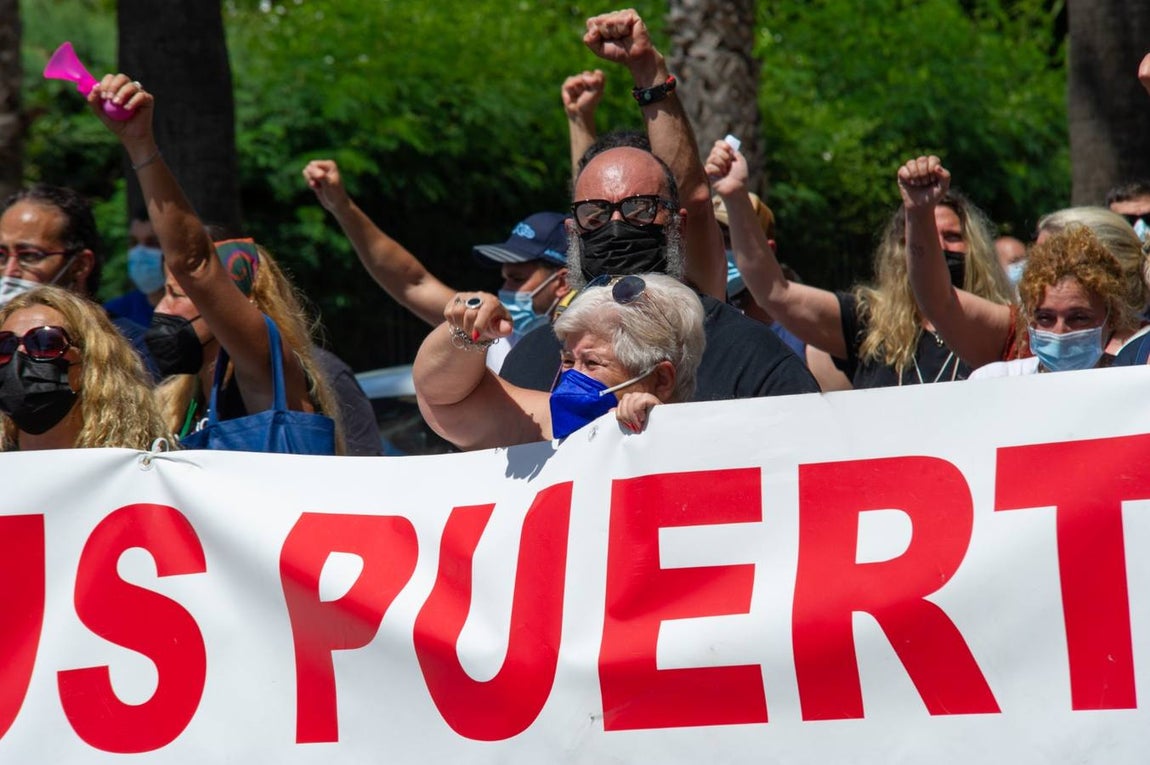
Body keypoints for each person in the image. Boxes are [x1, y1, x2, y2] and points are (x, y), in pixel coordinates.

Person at [90, 75, 345, 454]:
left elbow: (195, 264)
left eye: (178, 295)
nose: (161, 310)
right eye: (164, 294)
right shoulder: (178, 400)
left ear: (242, 304)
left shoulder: (265, 370)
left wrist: (140, 144)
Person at [708, 146, 1011, 388]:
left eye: (953, 237)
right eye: (922, 237)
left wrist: (919, 212)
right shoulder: (869, 324)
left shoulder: (1009, 330)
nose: (938, 248)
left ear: (977, 248)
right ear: (898, 253)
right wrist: (735, 196)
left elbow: (941, 300)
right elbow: (775, 292)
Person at [301, 159, 569, 372]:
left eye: (517, 278)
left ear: (562, 283)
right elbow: (412, 282)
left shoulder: (589, 347)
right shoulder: (489, 333)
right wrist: (342, 208)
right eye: (505, 278)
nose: (505, 290)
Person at [413, 273, 704, 450]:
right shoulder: (551, 425)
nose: (573, 377)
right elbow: (444, 400)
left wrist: (666, 433)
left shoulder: (710, 441)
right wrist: (466, 333)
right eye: (568, 360)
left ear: (662, 380)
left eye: (591, 363)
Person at [906, 159, 1148, 370]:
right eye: (1045, 318)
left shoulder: (1142, 351)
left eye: (1061, 257)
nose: (1041, 271)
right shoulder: (1021, 337)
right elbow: (939, 301)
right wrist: (919, 212)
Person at [0, 285, 167, 451]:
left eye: (46, 342)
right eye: (5, 344)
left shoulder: (139, 471)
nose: (19, 354)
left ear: (92, 359)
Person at [969, 225, 1137, 377]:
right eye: (1045, 318)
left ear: (1112, 317)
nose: (1060, 332)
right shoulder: (992, 381)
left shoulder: (1131, 382)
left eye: (1079, 318)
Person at [104, 209, 165, 326]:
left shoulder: (201, 313)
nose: (140, 252)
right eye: (133, 242)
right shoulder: (112, 315)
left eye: (152, 243)